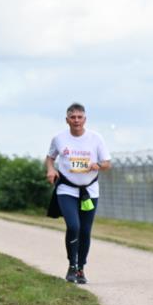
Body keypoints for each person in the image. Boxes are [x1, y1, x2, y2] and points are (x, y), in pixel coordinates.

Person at [45, 103, 111, 284]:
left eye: (79, 117)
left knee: (85, 231)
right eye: (72, 117)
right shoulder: (59, 138)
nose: (76, 121)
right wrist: (51, 170)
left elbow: (107, 163)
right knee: (73, 226)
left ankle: (81, 268)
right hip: (66, 189)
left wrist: (97, 165)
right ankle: (71, 265)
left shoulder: (96, 139)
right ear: (67, 120)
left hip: (89, 191)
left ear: (85, 119)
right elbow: (50, 158)